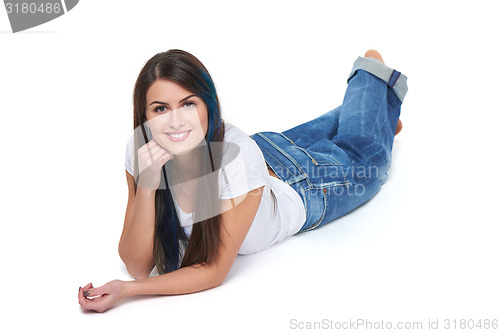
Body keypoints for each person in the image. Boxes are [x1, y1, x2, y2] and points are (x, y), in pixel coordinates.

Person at [78, 49, 407, 313]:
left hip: (299, 185)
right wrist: (148, 186)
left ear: (208, 104)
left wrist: (129, 291)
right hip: (261, 155)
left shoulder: (238, 154)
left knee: (370, 157)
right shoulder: (142, 151)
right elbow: (137, 263)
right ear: (144, 115)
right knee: (358, 129)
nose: (175, 121)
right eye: (161, 108)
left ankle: (369, 80)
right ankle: (375, 113)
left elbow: (213, 269)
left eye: (188, 104)